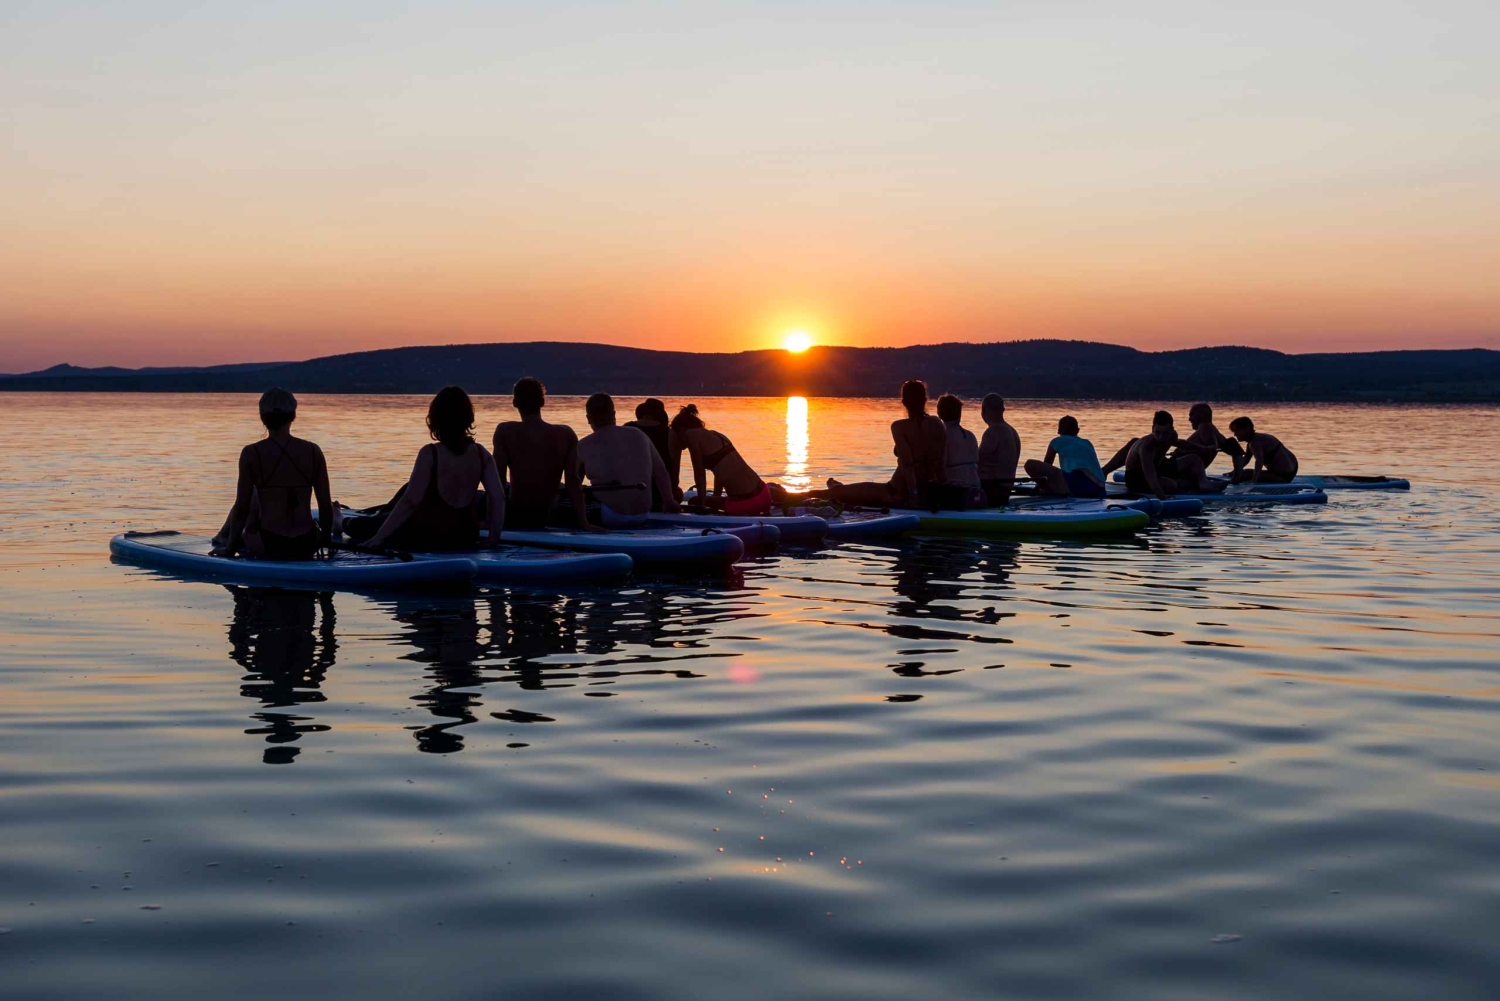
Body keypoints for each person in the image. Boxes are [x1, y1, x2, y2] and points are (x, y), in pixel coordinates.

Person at [364, 387, 505, 551]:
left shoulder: (430, 453)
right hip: (466, 535)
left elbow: (411, 501)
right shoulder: (482, 454)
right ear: (468, 417)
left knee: (363, 526)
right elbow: (498, 497)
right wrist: (494, 538)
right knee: (393, 505)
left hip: (429, 534)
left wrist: (378, 538)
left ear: (436, 418)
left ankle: (341, 521)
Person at [213, 388, 333, 560]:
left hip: (268, 543)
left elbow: (242, 507)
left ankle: (223, 539)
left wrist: (230, 549)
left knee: (252, 497)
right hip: (306, 544)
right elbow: (325, 506)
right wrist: (326, 541)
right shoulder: (314, 451)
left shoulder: (251, 453)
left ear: (262, 417)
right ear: (293, 416)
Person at [821, 380, 948, 508]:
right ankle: (841, 488)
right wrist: (942, 489)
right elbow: (939, 461)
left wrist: (914, 495)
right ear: (925, 400)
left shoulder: (899, 427)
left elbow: (908, 464)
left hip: (895, 492)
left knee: (835, 493)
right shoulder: (937, 423)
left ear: (903, 402)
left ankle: (836, 490)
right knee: (850, 490)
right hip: (928, 490)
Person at [491, 377, 595, 531]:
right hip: (546, 514)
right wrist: (583, 522)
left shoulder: (505, 431)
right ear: (543, 402)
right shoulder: (566, 434)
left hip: (516, 515)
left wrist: (490, 520)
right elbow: (573, 482)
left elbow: (496, 480)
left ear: (514, 402)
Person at [577, 393, 681, 527]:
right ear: (614, 414)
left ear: (588, 418)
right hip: (642, 514)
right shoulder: (638, 434)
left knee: (559, 497)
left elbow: (574, 485)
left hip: (607, 515)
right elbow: (661, 473)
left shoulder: (583, 444)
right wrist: (669, 501)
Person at [669, 404, 773, 516]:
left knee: (693, 501)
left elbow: (699, 475)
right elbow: (720, 472)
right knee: (713, 500)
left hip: (746, 503)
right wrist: (715, 498)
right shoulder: (716, 435)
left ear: (681, 430)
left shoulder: (690, 435)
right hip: (764, 494)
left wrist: (702, 506)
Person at [1115, 410, 1202, 501]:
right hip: (1137, 478)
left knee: (1193, 459)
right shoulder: (1146, 448)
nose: (1161, 437)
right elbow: (1152, 480)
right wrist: (1164, 501)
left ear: (1171, 430)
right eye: (1157, 433)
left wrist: (1204, 448)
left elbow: (1182, 444)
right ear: (1152, 428)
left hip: (1157, 468)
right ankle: (1183, 483)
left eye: (1164, 433)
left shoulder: (1172, 435)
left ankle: (1203, 483)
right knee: (1170, 485)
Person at [1023, 415, 1107, 498]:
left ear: (1059, 431)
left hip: (1079, 485)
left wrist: (1039, 485)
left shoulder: (1057, 441)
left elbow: (1047, 463)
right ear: (1078, 431)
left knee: (1030, 464)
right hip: (1100, 489)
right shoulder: (1087, 443)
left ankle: (1046, 491)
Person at [1169, 403, 1246, 486]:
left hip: (1176, 471)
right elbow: (1236, 450)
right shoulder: (1216, 432)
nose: (1189, 419)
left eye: (1192, 415)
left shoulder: (1204, 426)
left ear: (1201, 415)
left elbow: (1214, 448)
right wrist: (1236, 477)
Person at [625, 398, 679, 509]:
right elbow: (674, 472)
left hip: (631, 490)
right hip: (660, 494)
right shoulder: (670, 433)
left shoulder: (627, 428)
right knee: (679, 493)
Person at [936, 395, 985, 508]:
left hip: (957, 493)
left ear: (939, 414)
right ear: (960, 414)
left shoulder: (943, 436)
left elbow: (940, 467)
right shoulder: (970, 435)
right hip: (976, 489)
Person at [977, 394, 1021, 505]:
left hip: (992, 490)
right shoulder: (1013, 431)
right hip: (1006, 490)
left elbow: (977, 461)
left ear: (984, 410)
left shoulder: (994, 430)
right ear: (1003, 410)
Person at [1229, 416, 1299, 483]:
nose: (1235, 434)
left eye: (1237, 431)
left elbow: (1259, 461)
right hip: (1290, 470)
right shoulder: (1252, 441)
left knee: (1244, 476)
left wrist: (1254, 480)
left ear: (1247, 429)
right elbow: (1246, 459)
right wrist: (1234, 472)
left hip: (1284, 476)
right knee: (1243, 472)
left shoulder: (1255, 442)